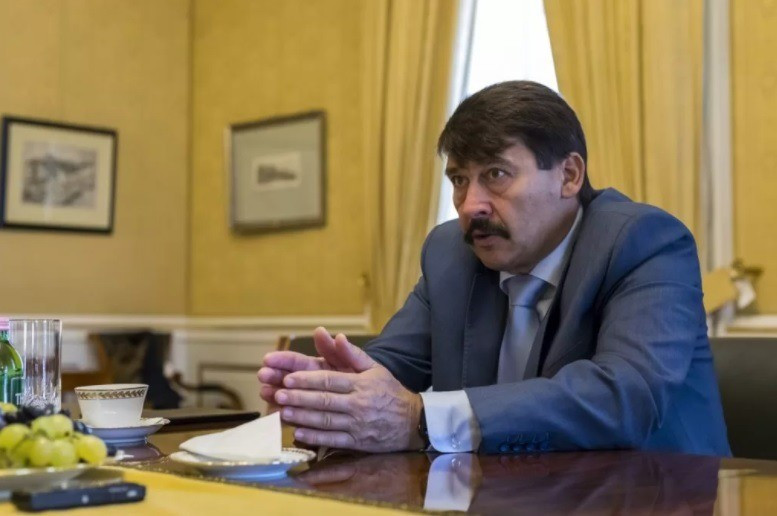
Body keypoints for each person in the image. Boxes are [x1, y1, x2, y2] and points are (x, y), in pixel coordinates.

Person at [258, 81, 731, 456]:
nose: (471, 206)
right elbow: (396, 365)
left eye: (496, 175)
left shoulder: (644, 242)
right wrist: (334, 389)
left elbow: (624, 396)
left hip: (652, 497)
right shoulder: (450, 253)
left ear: (569, 175)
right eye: (459, 180)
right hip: (498, 497)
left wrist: (421, 418)